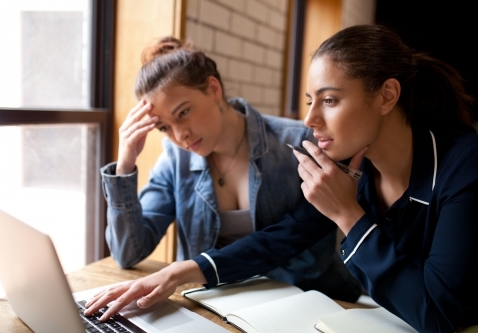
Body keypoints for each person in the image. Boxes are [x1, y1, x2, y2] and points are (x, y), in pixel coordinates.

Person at [88, 35, 361, 317]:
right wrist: (124, 167)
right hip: (212, 308)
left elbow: (293, 240)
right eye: (163, 127)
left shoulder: (300, 144)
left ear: (214, 89)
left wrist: (183, 271)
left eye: (183, 112)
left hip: (307, 305)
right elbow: (127, 253)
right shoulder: (175, 159)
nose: (180, 135)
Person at [290, 25, 478, 332]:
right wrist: (197, 267)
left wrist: (347, 214)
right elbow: (288, 235)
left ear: (386, 96)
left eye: (329, 100)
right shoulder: (357, 169)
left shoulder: (466, 166)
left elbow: (441, 318)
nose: (309, 120)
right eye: (311, 100)